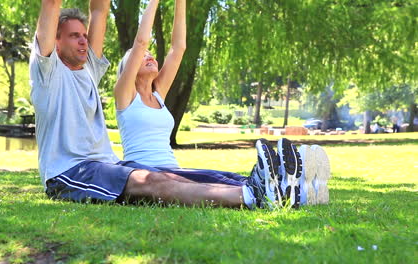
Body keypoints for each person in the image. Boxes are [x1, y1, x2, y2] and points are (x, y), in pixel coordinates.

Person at [29, 0, 288, 210]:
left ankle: (266, 187)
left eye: (85, 35)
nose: (84, 41)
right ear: (56, 40)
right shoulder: (48, 72)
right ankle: (250, 195)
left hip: (108, 164)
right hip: (70, 172)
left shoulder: (89, 70)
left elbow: (100, 8)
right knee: (151, 181)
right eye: (74, 36)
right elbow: (51, 4)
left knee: (169, 176)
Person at [113, 0, 310, 208]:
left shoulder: (158, 94)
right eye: (142, 57)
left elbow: (178, 48)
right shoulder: (125, 94)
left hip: (172, 169)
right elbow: (141, 41)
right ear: (129, 69)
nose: (149, 55)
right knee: (214, 180)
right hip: (147, 173)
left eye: (150, 55)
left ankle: (288, 185)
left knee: (222, 176)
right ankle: (273, 189)